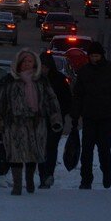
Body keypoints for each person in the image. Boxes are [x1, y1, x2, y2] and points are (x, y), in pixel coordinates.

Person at [0, 49, 63, 196]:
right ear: (19, 63)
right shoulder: (11, 79)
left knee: (33, 154)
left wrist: (55, 118)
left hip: (36, 123)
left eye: (29, 61)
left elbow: (52, 100)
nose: (26, 64)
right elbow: (2, 102)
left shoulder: (41, 80)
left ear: (35, 63)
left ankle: (30, 179)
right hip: (15, 123)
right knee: (15, 154)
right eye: (24, 61)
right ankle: (17, 185)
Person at [71, 41, 111, 189]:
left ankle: (106, 174)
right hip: (89, 115)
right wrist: (75, 114)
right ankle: (86, 179)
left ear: (101, 55)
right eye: (92, 56)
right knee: (87, 149)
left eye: (96, 56)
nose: (94, 59)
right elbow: (78, 94)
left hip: (106, 115)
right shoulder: (84, 71)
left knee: (104, 148)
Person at [38, 51, 72, 188]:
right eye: (42, 66)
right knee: (41, 148)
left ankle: (49, 174)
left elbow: (67, 99)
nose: (44, 69)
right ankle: (42, 176)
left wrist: (61, 114)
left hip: (55, 121)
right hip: (39, 120)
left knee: (51, 147)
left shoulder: (59, 79)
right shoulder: (34, 79)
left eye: (46, 66)